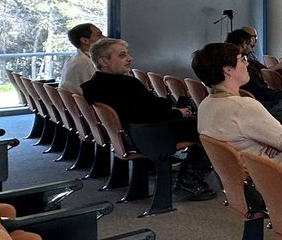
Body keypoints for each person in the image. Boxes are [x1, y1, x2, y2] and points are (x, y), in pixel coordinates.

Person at [81, 37, 215, 200]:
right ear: (104, 60)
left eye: (128, 54)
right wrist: (178, 113)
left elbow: (143, 109)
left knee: (193, 123)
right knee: (209, 130)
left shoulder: (91, 86)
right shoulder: (126, 85)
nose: (130, 58)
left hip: (128, 135)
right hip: (147, 135)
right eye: (122, 55)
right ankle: (190, 182)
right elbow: (149, 113)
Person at [192, 42, 282, 164]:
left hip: (247, 174)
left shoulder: (205, 104)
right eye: (243, 60)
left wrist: (268, 142)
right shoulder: (243, 107)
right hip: (275, 171)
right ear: (228, 70)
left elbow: (238, 135)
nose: (247, 64)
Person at [226, 28, 282, 123]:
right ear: (244, 44)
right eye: (251, 45)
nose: (246, 63)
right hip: (264, 106)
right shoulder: (244, 69)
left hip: (254, 105)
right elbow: (263, 93)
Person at [59, 22, 103, 94]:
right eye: (99, 35)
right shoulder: (84, 63)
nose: (105, 38)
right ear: (85, 41)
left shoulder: (74, 59)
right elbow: (97, 92)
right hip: (84, 104)